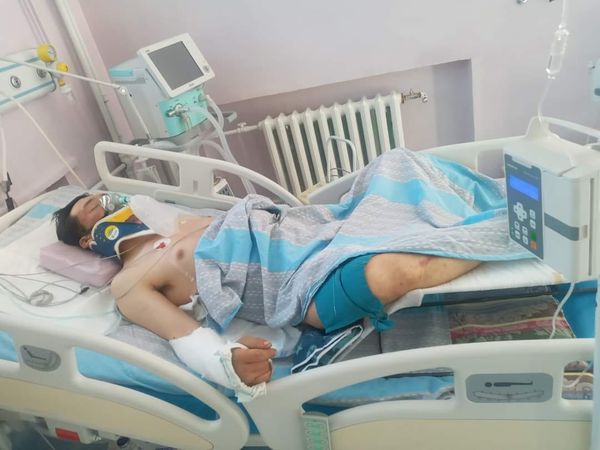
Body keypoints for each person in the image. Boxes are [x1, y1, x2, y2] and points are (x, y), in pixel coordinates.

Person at [52, 190, 480, 396]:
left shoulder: (179, 221)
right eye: (94, 208)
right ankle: (499, 237)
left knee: (394, 170)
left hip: (311, 235)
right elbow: (185, 336)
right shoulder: (129, 283)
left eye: (106, 197)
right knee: (394, 271)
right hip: (298, 285)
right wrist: (227, 363)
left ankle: (481, 214)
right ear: (90, 240)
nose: (107, 203)